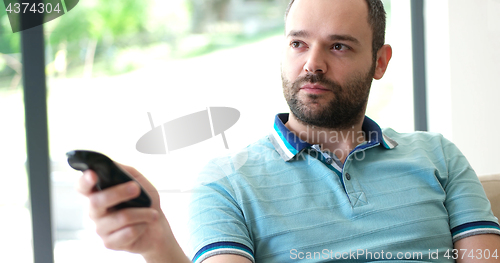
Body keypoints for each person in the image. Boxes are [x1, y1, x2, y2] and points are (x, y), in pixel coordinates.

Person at [77, 0, 500, 262]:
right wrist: (158, 245)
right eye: (298, 43)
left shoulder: (438, 156)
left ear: (380, 61)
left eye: (338, 46)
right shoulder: (227, 182)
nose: (312, 64)